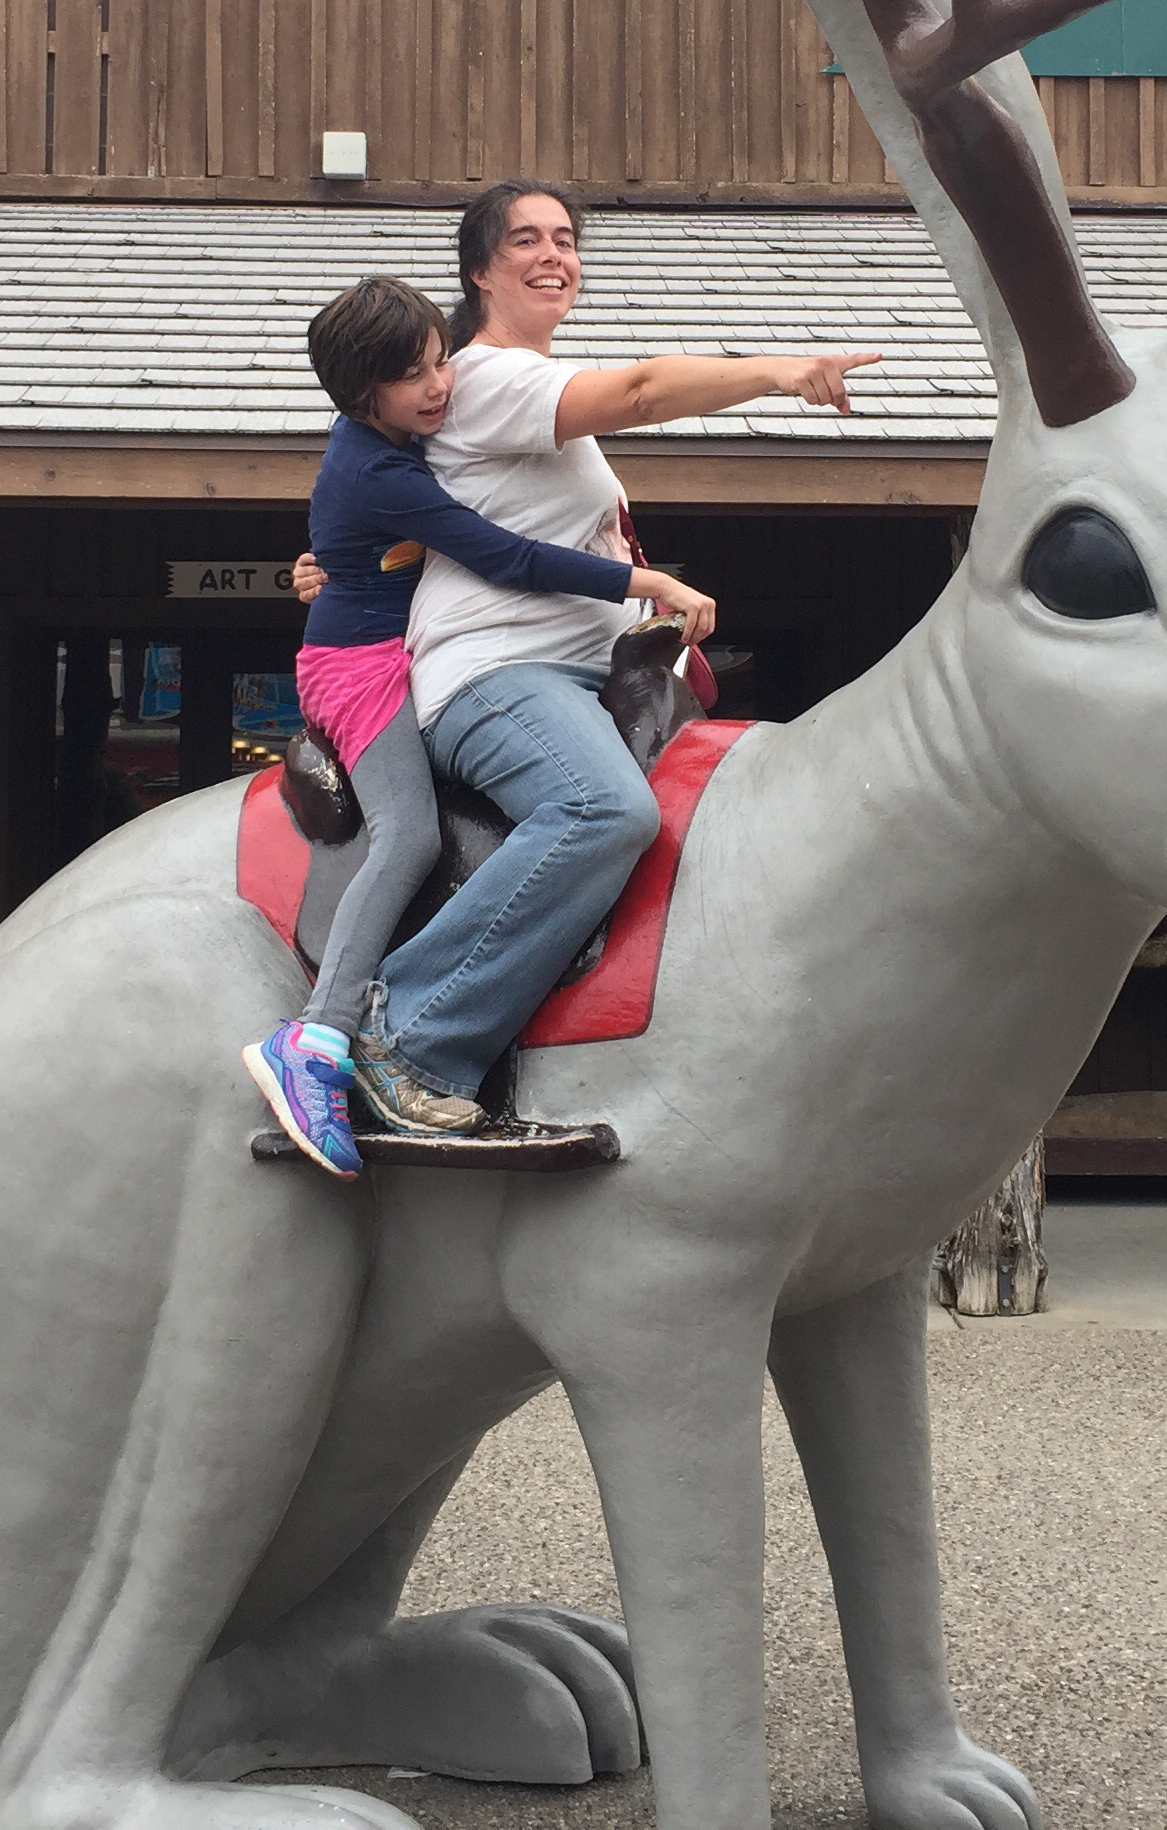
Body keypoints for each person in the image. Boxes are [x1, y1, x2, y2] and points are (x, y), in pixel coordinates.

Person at [323, 184, 879, 1138]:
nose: (554, 255)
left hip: (578, 676)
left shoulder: (494, 389)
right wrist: (781, 371)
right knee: (601, 809)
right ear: (479, 271)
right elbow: (642, 392)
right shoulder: (487, 377)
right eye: (526, 240)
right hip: (499, 675)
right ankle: (405, 1036)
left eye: (567, 239)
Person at [242, 274, 717, 1178]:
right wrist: (644, 581)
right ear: (360, 394)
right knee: (409, 835)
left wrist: (333, 562)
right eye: (412, 376)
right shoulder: (381, 470)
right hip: (361, 670)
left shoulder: (400, 439)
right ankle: (321, 1036)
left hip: (391, 648)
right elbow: (502, 553)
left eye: (438, 362)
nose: (438, 386)